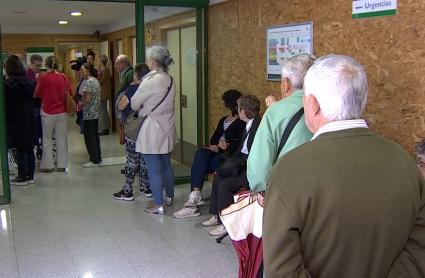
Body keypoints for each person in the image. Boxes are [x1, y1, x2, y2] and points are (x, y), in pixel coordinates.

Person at [263, 54, 425, 277]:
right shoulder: (405, 162)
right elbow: (419, 247)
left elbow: (281, 270)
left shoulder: (289, 169)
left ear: (313, 104)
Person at [247, 54, 315, 193]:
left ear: (286, 84)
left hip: (285, 193)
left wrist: (261, 191)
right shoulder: (330, 108)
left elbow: (258, 170)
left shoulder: (275, 112)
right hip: (320, 192)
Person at [173, 90, 246, 219]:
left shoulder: (241, 122)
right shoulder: (224, 119)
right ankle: (195, 194)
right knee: (201, 152)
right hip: (216, 151)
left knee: (201, 164)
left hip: (228, 157)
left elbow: (240, 145)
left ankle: (193, 201)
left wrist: (223, 147)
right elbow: (213, 139)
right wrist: (215, 146)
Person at [203, 95, 261, 237]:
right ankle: (217, 216)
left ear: (242, 111)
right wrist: (225, 168)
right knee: (218, 176)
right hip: (242, 163)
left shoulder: (257, 126)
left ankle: (226, 224)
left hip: (251, 169)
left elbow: (253, 154)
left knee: (225, 184)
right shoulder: (249, 125)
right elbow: (240, 151)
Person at [131, 46, 176, 215]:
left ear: (152, 61)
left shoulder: (150, 81)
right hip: (167, 127)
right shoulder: (170, 79)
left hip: (151, 129)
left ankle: (158, 204)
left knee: (153, 168)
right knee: (166, 165)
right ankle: (169, 197)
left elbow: (134, 104)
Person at [113, 63, 152, 201]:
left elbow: (121, 105)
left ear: (136, 75)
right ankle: (145, 188)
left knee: (132, 159)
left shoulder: (134, 88)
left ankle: (127, 191)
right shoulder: (151, 88)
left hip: (134, 129)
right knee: (144, 160)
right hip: (148, 129)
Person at [34, 56, 72, 172]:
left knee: (47, 139)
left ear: (46, 65)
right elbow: (70, 91)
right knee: (61, 139)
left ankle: (48, 165)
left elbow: (37, 93)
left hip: (47, 112)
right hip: (61, 111)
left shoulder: (43, 77)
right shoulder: (63, 77)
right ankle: (62, 164)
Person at [4, 55, 35, 185]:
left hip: (15, 119)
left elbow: (6, 104)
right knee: (29, 147)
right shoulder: (29, 82)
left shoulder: (7, 84)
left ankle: (21, 176)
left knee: (20, 148)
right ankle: (30, 176)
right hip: (29, 117)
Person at [79, 63, 102, 168]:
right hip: (96, 112)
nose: (80, 72)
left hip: (89, 113)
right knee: (95, 136)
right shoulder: (96, 81)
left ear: (88, 70)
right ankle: (98, 158)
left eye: (82, 69)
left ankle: (93, 160)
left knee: (89, 137)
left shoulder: (88, 82)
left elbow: (87, 99)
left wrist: (81, 103)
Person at [26, 54, 43, 159]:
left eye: (40, 65)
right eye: (37, 66)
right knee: (35, 129)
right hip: (32, 106)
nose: (38, 68)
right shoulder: (27, 75)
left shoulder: (40, 75)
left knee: (39, 129)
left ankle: (39, 144)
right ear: (31, 64)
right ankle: (36, 145)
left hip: (40, 105)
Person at [98, 54, 112, 135]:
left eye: (99, 61)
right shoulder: (103, 69)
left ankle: (106, 128)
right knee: (103, 110)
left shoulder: (105, 70)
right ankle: (105, 127)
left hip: (103, 93)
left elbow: (101, 81)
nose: (98, 62)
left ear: (101, 62)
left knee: (103, 111)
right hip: (102, 92)